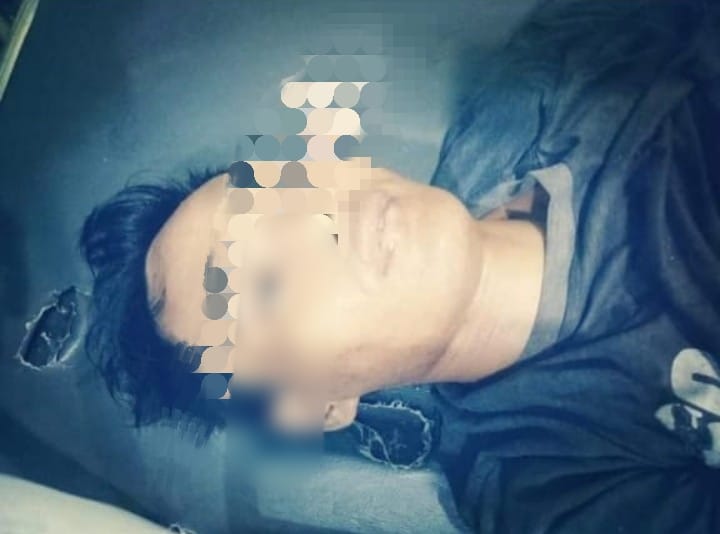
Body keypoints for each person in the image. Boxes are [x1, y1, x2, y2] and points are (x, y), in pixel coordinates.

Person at [80, 0, 720, 532]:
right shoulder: (553, 491)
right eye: (267, 285)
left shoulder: (554, 80)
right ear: (319, 407)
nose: (321, 219)